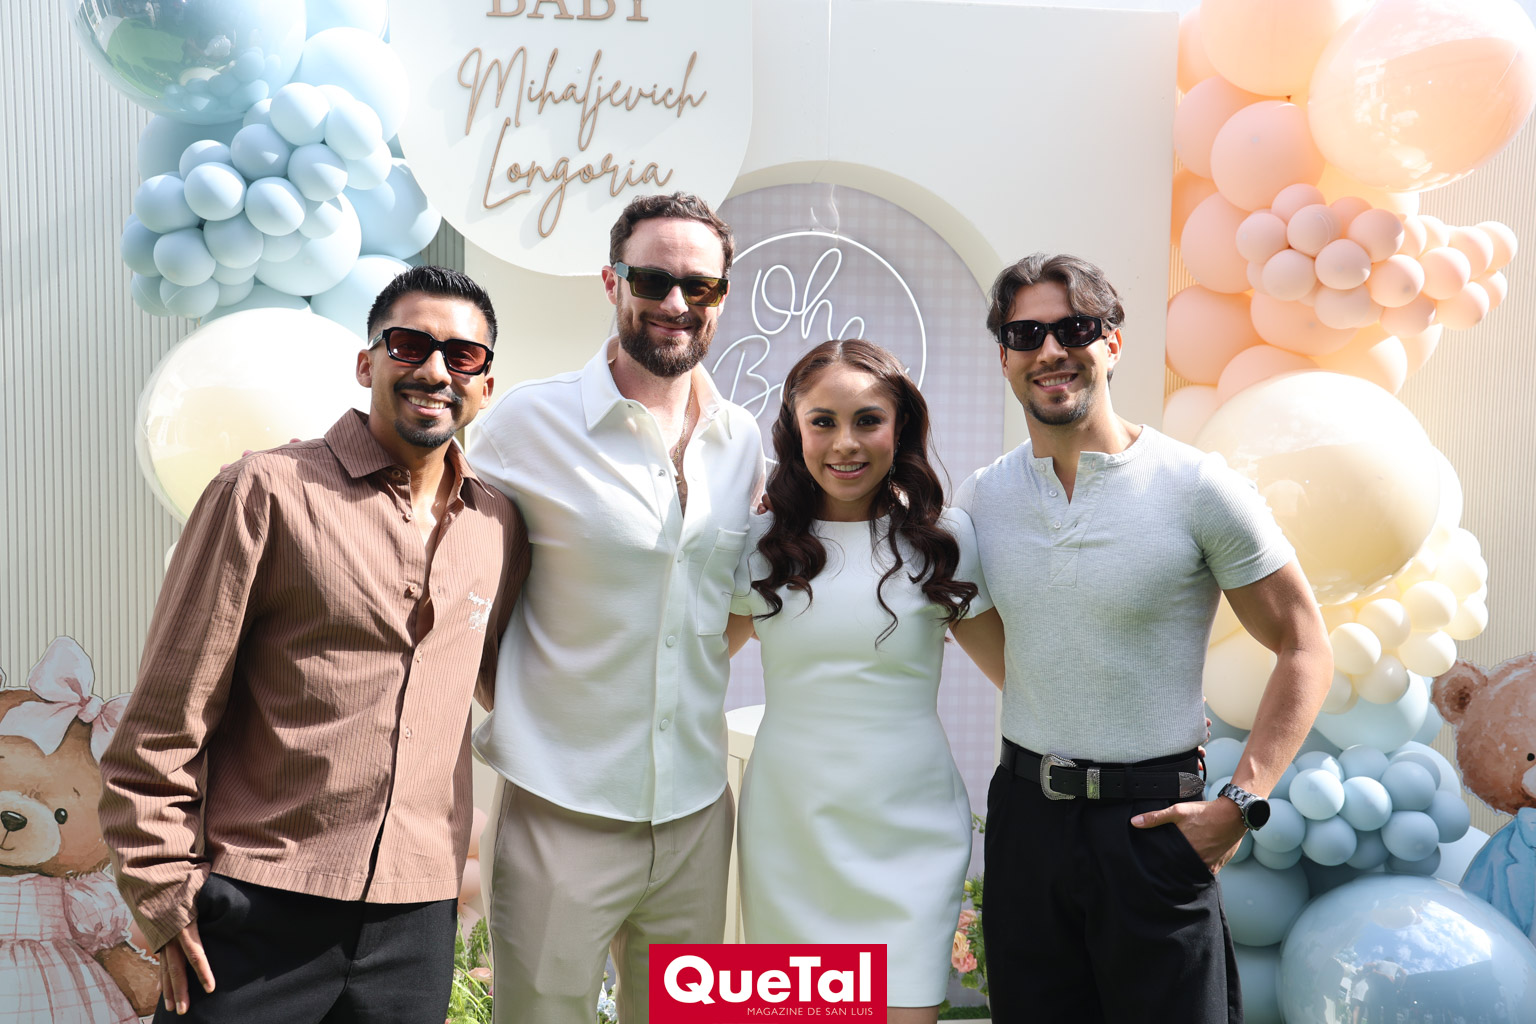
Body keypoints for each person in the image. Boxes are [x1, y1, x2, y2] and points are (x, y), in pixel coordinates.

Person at [98, 266, 529, 1023]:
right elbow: (167, 715)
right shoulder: (264, 491)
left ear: (486, 385)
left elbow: (505, 678)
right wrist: (163, 890)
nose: (435, 370)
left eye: (462, 356)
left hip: (414, 921)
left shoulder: (498, 526)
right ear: (366, 363)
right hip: (254, 904)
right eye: (410, 345)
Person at [955, 253, 1332, 1023]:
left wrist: (1243, 800)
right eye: (1027, 334)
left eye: (1074, 329)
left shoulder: (1198, 487)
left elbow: (1305, 645)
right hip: (1028, 824)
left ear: (1113, 342)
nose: (1051, 350)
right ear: (1004, 357)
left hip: (1155, 828)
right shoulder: (983, 500)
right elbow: (1007, 648)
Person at [467, 192, 764, 1023]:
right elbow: (462, 593)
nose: (676, 302)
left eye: (699, 286)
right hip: (559, 810)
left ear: (721, 296)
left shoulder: (742, 438)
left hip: (697, 811)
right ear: (612, 282)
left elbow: (724, 605)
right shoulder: (527, 422)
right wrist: (522, 698)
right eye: (653, 279)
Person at [725, 339, 1002, 1024]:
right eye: (822, 421)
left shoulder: (945, 542)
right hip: (790, 833)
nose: (845, 443)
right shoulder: (760, 547)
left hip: (911, 831)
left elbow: (1020, 677)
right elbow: (689, 667)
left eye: (867, 420)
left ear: (899, 428)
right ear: (795, 432)